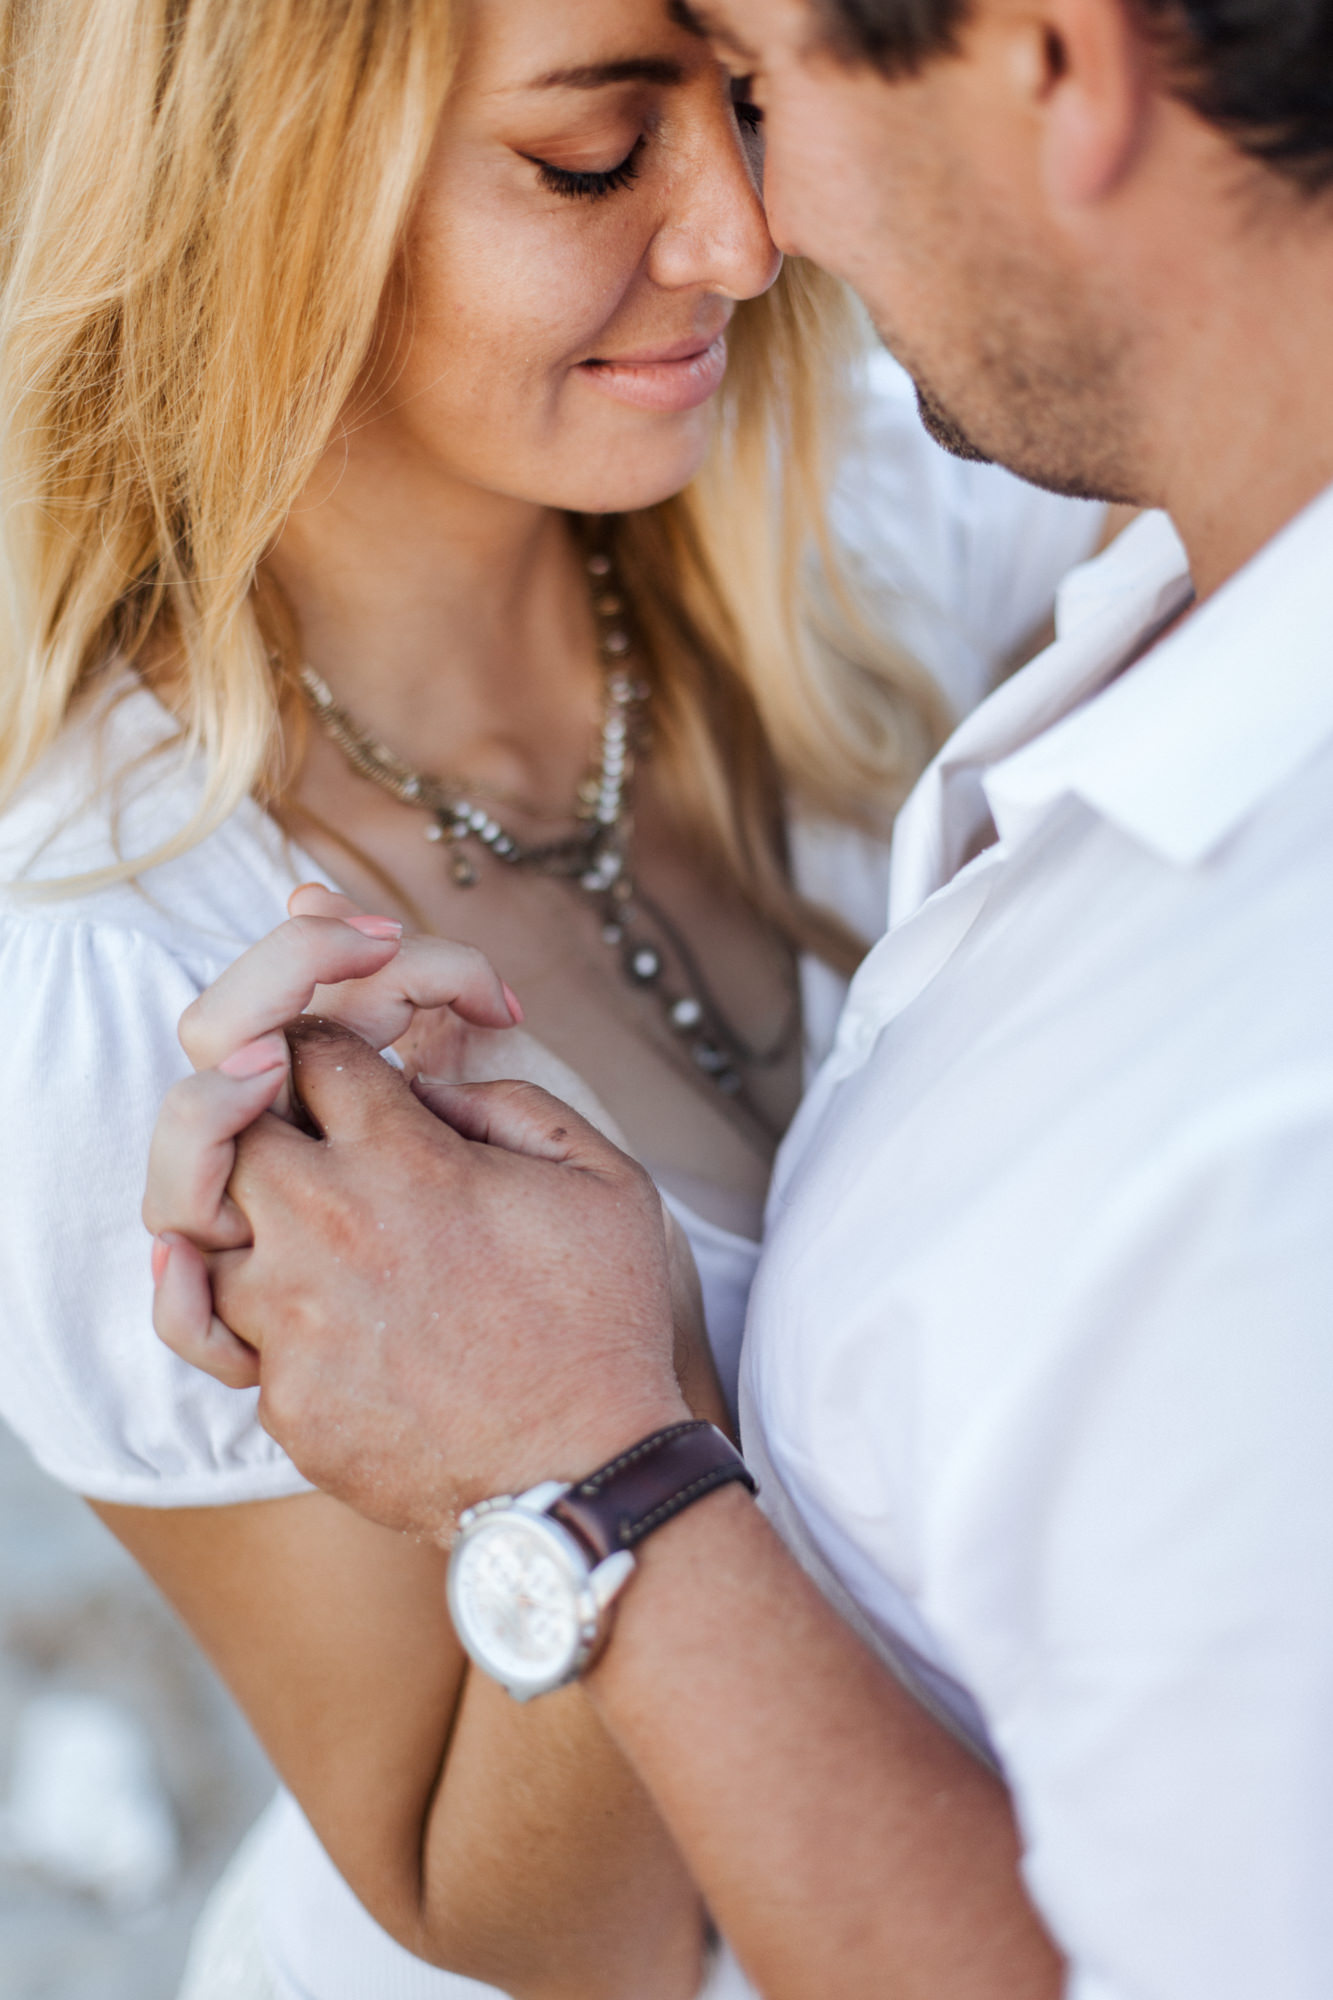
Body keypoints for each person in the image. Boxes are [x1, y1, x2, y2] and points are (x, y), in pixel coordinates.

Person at [145, 0, 1333, 1995]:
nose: (749, 238)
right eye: (598, 155)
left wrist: (590, 1455)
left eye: (763, 93)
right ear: (246, 193)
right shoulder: (119, 965)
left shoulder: (1243, 1119)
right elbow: (514, 1927)